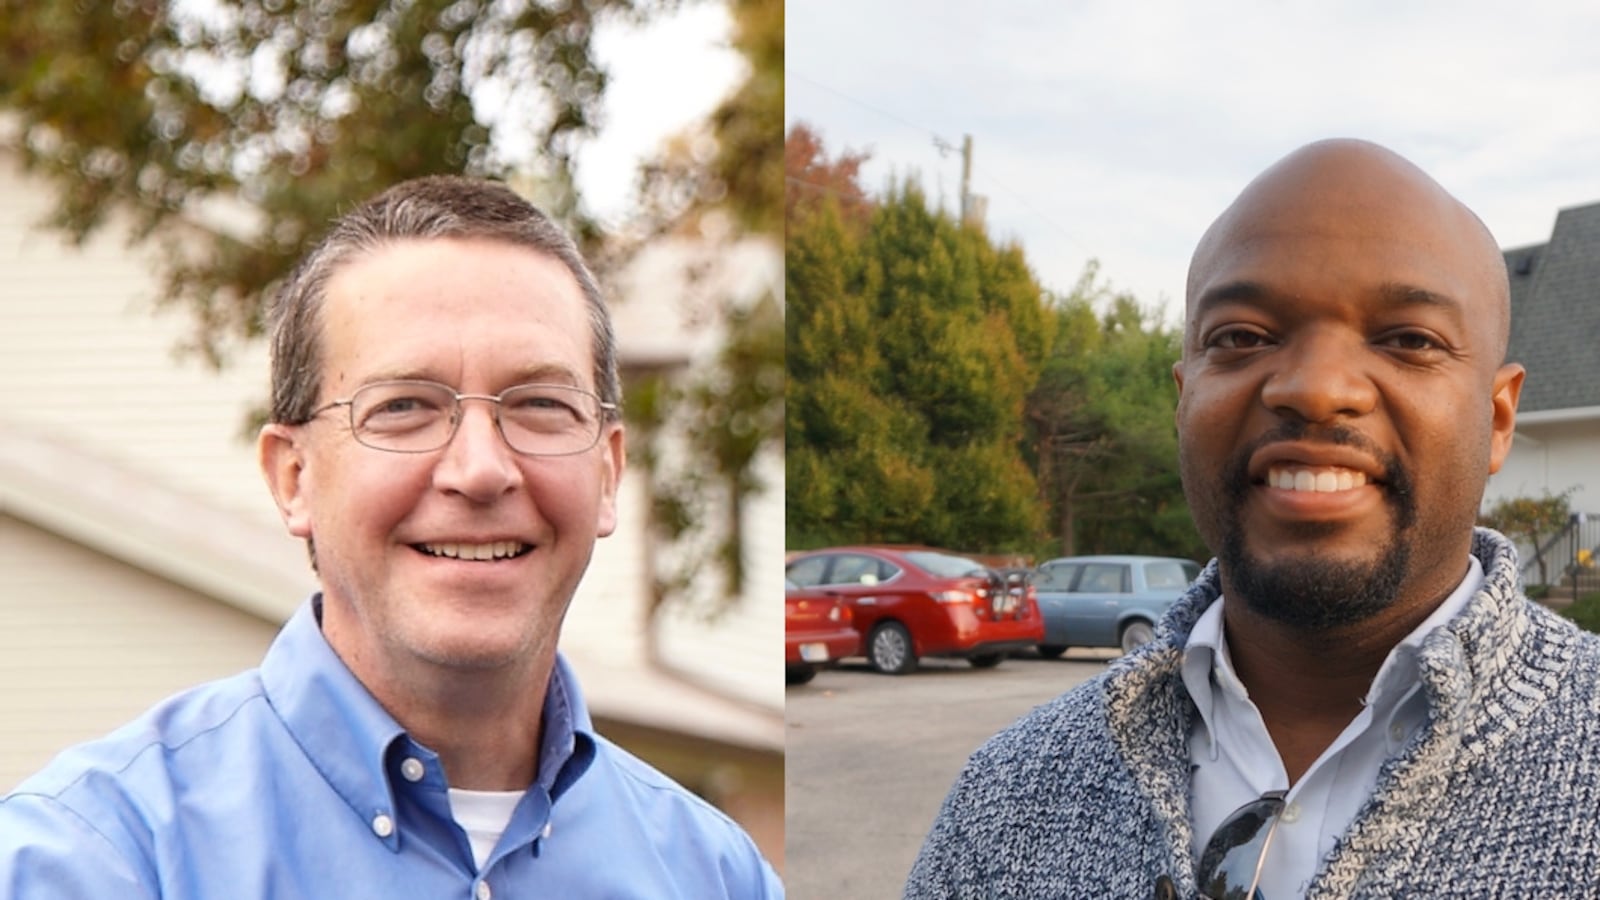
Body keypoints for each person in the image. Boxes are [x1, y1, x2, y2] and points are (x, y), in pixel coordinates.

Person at [0, 176, 783, 898]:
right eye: (404, 407)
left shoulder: (715, 874)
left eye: (541, 405)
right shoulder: (93, 861)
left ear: (608, 473)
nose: (480, 470)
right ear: (293, 476)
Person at [905, 139, 1600, 898]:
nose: (1314, 387)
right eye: (1242, 337)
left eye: (1408, 340)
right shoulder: (1004, 805)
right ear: (1183, 399)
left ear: (1498, 420)